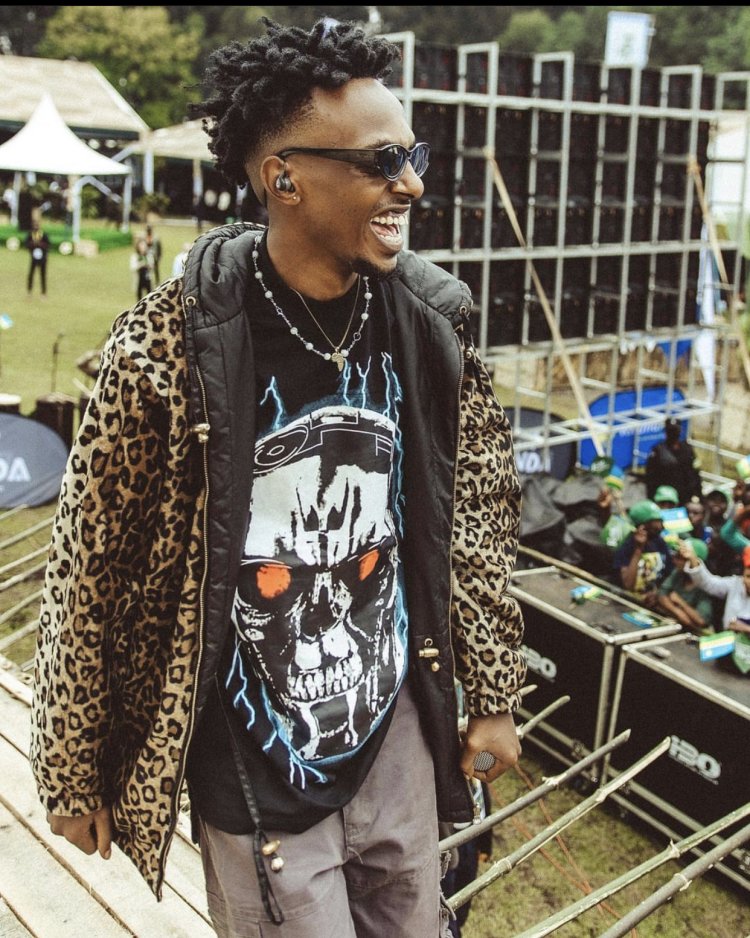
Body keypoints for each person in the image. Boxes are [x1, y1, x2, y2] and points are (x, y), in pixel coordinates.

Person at [30, 18, 526, 938]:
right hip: (252, 759)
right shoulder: (165, 351)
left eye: (412, 155)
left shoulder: (432, 326)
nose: (411, 183)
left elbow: (478, 522)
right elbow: (89, 570)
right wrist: (72, 768)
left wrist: (491, 697)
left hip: (394, 731)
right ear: (284, 178)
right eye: (381, 161)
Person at [680, 540, 750, 635]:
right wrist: (693, 558)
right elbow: (708, 583)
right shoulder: (735, 583)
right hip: (729, 640)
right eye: (748, 576)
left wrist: (746, 628)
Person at [613, 499, 673, 607]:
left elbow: (668, 574)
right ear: (643, 525)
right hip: (627, 603)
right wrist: (638, 550)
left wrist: (657, 593)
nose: (662, 526)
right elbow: (628, 585)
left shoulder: (660, 542)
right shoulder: (626, 546)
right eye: (657, 522)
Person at [656, 537, 714, 635]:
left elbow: (701, 620)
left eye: (681, 559)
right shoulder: (678, 573)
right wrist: (678, 612)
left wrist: (680, 602)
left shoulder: (706, 585)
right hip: (678, 624)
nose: (675, 561)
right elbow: (662, 594)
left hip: (699, 633)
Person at [644, 418, 702, 506]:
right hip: (664, 498)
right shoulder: (658, 451)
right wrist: (652, 499)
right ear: (666, 432)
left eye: (675, 431)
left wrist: (698, 494)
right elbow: (650, 477)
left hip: (684, 496)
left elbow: (695, 473)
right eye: (670, 431)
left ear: (680, 431)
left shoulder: (687, 450)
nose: (673, 434)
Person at [25, 221, 50, 296]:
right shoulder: (30, 235)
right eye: (34, 226)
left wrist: (41, 245)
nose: (36, 228)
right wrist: (33, 245)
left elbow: (48, 245)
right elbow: (26, 244)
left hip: (43, 258)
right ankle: (29, 291)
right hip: (34, 258)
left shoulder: (44, 235)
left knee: (43, 275)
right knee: (31, 274)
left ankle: (43, 292)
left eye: (37, 226)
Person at [129, 236, 154, 301]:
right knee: (139, 297)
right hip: (139, 279)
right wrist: (140, 264)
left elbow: (152, 265)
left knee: (149, 296)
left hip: (147, 278)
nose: (143, 247)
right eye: (141, 245)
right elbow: (132, 267)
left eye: (144, 245)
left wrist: (149, 265)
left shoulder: (148, 255)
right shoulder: (135, 256)